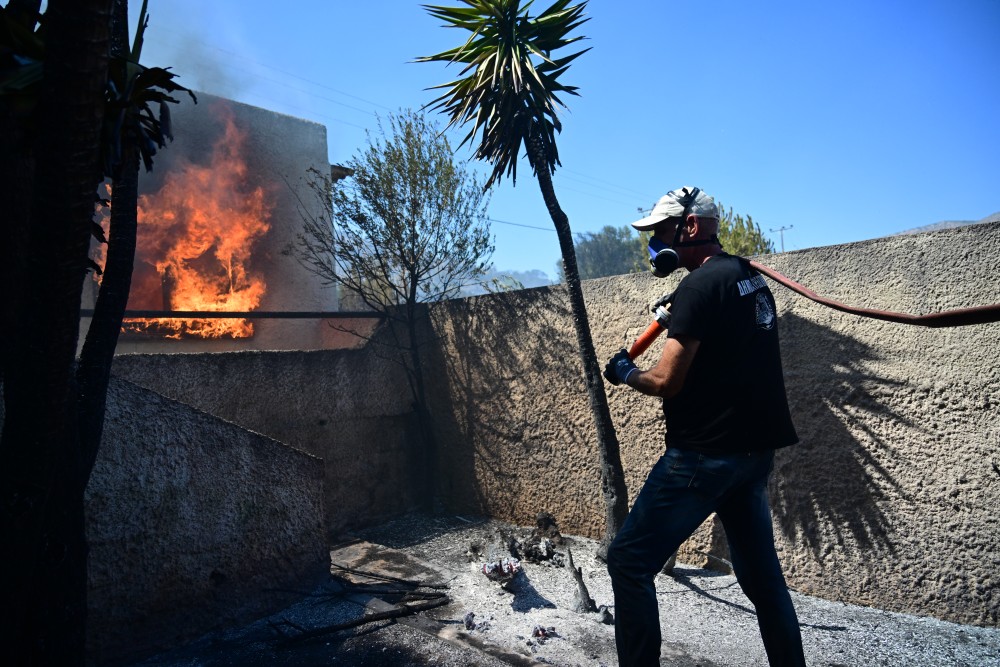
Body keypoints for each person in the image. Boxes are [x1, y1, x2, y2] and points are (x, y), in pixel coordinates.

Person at [603, 186, 806, 667]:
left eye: (659, 232)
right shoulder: (746, 278)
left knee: (628, 562)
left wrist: (624, 371)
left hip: (702, 458)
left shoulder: (699, 288)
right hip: (752, 457)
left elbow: (667, 382)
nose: (652, 243)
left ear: (689, 227)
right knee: (762, 581)